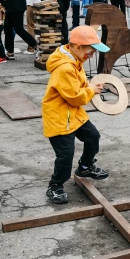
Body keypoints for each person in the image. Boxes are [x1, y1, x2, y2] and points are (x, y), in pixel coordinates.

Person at [42, 25, 110, 204]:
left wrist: (88, 85)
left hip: (73, 115)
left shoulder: (75, 60)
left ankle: (86, 167)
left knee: (92, 136)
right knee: (65, 155)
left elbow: (77, 86)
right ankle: (55, 186)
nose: (92, 55)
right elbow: (74, 97)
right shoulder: (65, 68)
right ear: (77, 47)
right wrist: (91, 90)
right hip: (59, 118)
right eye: (91, 50)